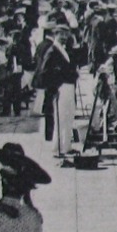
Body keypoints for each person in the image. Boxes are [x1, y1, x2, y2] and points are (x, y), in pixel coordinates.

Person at [33, 26, 77, 156]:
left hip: (68, 86)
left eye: (66, 34)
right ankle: (60, 148)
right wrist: (54, 87)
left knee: (68, 117)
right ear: (55, 34)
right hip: (61, 88)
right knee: (61, 118)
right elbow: (45, 72)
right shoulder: (52, 50)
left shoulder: (63, 49)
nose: (64, 36)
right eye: (61, 34)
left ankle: (65, 146)